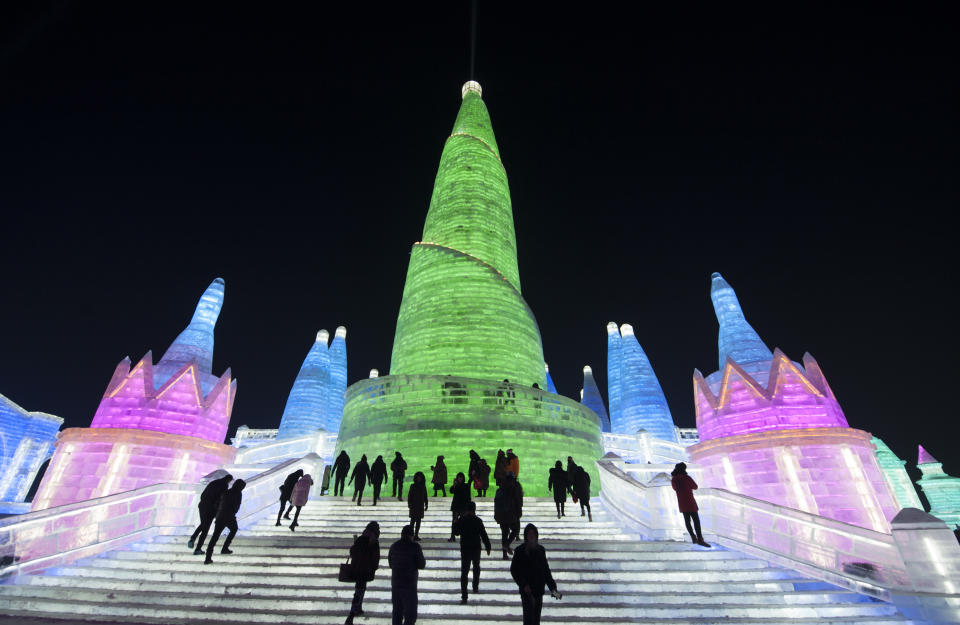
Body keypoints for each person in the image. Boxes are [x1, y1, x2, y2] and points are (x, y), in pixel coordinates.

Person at [510, 523, 561, 625]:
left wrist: (553, 589)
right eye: (529, 534)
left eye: (533, 534)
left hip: (538, 589)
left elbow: (546, 570)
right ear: (526, 536)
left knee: (536, 619)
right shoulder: (520, 550)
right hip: (527, 591)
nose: (531, 536)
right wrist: (523, 584)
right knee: (528, 619)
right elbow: (514, 570)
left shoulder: (541, 550)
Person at [453, 500, 491, 603]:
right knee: (476, 567)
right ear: (474, 510)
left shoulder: (462, 520)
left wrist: (455, 521)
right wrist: (488, 546)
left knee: (464, 572)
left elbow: (456, 533)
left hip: (465, 548)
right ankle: (475, 586)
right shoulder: (477, 520)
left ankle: (464, 596)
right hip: (475, 548)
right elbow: (483, 534)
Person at [388, 524, 426, 625]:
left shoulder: (394, 546)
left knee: (397, 613)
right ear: (411, 535)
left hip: (396, 584)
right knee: (411, 614)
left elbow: (390, 564)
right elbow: (422, 564)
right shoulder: (415, 547)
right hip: (409, 584)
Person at [204, 478, 246, 564]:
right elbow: (237, 506)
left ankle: (208, 557)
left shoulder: (226, 492)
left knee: (215, 536)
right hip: (229, 516)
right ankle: (225, 548)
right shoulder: (238, 493)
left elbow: (217, 503)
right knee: (234, 529)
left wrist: (218, 513)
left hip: (220, 516)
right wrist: (233, 513)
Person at [346, 521, 380, 624]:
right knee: (359, 590)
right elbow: (376, 556)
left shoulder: (360, 539)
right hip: (366, 569)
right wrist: (374, 567)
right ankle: (351, 615)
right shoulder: (373, 541)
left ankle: (358, 608)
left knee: (360, 589)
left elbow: (352, 551)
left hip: (357, 568)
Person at [188, 473, 232, 553]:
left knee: (203, 524)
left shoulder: (214, 482)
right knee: (205, 528)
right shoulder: (224, 485)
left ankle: (193, 538)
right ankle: (198, 549)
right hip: (211, 508)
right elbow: (221, 498)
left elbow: (204, 494)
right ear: (229, 480)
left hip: (202, 505)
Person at [671, 462, 710, 547]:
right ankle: (700, 539)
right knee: (696, 521)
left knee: (687, 520)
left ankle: (693, 537)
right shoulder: (686, 477)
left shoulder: (674, 479)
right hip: (690, 501)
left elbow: (674, 488)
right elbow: (695, 486)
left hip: (682, 502)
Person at [494, 472, 523, 559]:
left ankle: (504, 554)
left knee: (504, 533)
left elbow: (496, 502)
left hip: (501, 514)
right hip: (512, 513)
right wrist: (519, 511)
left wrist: (496, 514)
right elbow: (518, 501)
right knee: (515, 530)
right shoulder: (515, 487)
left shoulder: (501, 487)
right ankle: (506, 545)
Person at [448, 472, 471, 542]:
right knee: (454, 522)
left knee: (463, 522)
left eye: (461, 477)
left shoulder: (466, 485)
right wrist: (454, 485)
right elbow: (451, 491)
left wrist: (468, 506)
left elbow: (468, 496)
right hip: (456, 506)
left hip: (463, 506)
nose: (460, 479)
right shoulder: (456, 485)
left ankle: (463, 536)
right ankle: (452, 536)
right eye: (459, 477)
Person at [407, 471, 428, 541]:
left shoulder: (423, 487)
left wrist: (426, 503)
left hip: (420, 506)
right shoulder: (412, 486)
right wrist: (409, 504)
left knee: (418, 522)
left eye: (420, 477)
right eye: (418, 477)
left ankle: (416, 535)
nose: (419, 479)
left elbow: (425, 496)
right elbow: (410, 495)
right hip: (414, 506)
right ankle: (411, 535)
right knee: (412, 521)